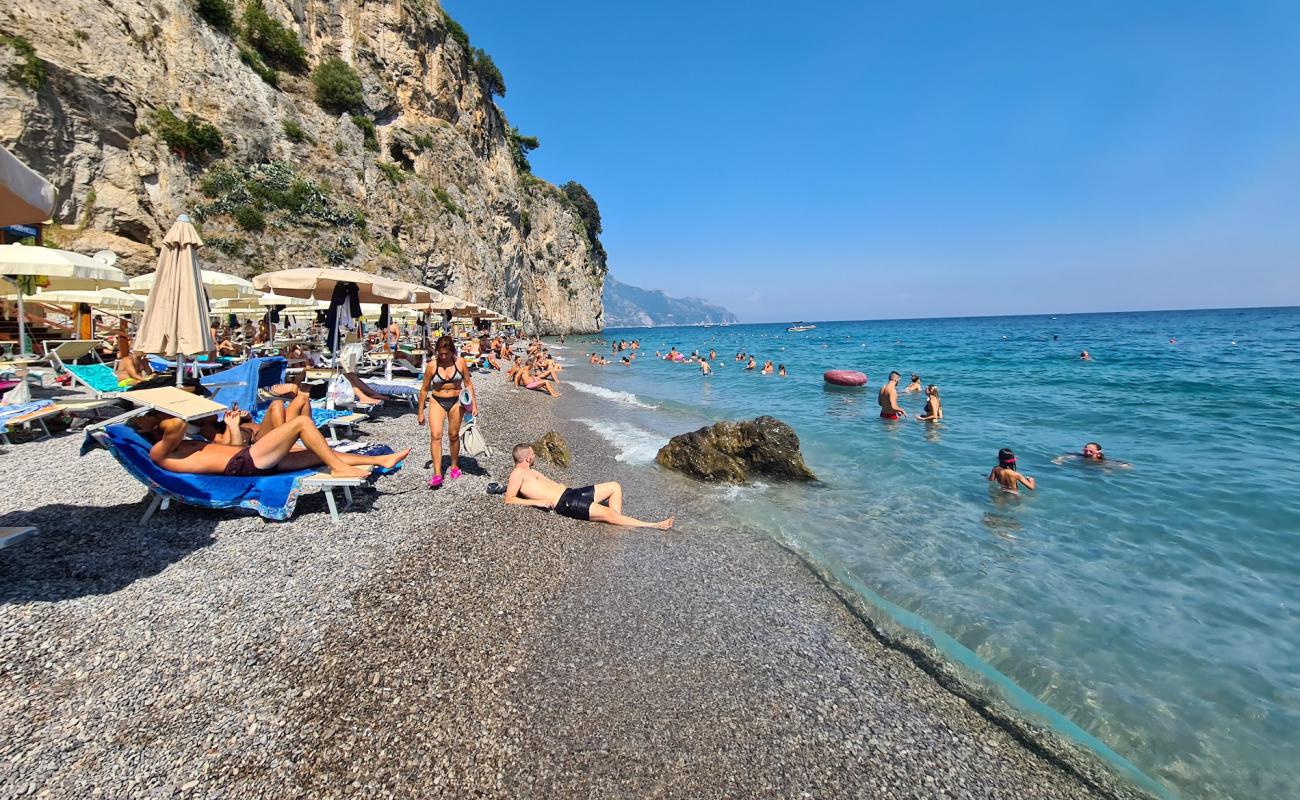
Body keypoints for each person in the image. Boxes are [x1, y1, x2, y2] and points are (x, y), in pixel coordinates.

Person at [131, 411, 408, 479]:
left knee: (316, 454)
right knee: (301, 422)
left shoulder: (180, 445)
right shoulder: (160, 452)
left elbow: (231, 445)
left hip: (244, 458)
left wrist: (230, 427)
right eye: (145, 421)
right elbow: (177, 424)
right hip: (245, 463)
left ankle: (379, 461)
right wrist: (158, 416)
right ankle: (338, 468)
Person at [504, 444, 673, 529]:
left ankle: (616, 519)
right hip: (565, 504)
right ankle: (652, 525)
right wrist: (537, 502)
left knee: (614, 486)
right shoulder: (517, 474)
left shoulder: (529, 470)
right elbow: (509, 499)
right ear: (527, 458)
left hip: (571, 493)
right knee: (608, 512)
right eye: (533, 453)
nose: (535, 456)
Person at [418, 335, 477, 489]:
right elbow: (424, 390)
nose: (443, 356)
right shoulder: (432, 366)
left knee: (453, 435)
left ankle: (454, 466)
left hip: (456, 401)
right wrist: (420, 412)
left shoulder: (460, 363)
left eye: (446, 353)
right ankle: (437, 474)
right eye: (440, 353)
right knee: (436, 435)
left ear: (452, 351)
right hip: (437, 401)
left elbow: (468, 384)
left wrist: (474, 405)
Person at [1053, 442, 1130, 467]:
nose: (1087, 452)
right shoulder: (1079, 456)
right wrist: (1058, 460)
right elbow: (1065, 456)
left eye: (1091, 451)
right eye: (1085, 450)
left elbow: (1125, 464)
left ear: (1097, 452)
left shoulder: (1102, 460)